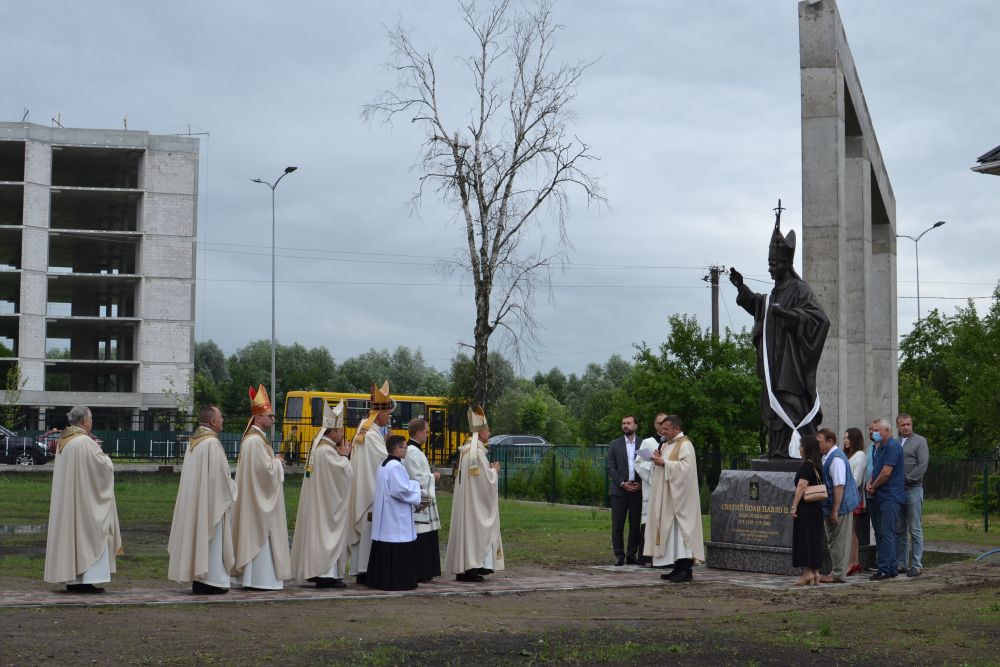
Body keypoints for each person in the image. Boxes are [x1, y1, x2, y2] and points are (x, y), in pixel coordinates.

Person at [729, 205, 830, 458]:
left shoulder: (799, 289)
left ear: (787, 263)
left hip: (790, 363)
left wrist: (790, 316)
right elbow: (760, 307)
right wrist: (742, 288)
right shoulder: (774, 293)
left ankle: (813, 453)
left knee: (794, 405)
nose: (771, 268)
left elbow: (820, 319)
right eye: (769, 264)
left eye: (775, 264)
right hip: (772, 364)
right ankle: (778, 452)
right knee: (772, 408)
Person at [44, 406, 123, 593]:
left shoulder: (65, 441)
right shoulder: (84, 442)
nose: (92, 422)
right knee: (88, 535)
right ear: (85, 421)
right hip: (85, 503)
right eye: (91, 419)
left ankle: (75, 580)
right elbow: (102, 467)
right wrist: (108, 461)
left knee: (74, 537)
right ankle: (87, 580)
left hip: (72, 500)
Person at [167, 404, 239, 595]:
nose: (223, 420)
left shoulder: (195, 442)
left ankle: (200, 580)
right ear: (213, 421)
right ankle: (211, 581)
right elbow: (219, 479)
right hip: (210, 505)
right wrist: (233, 487)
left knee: (200, 539)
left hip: (197, 502)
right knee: (212, 541)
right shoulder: (212, 444)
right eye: (221, 417)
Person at [231, 384, 291, 590]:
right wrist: (277, 463)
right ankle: (260, 579)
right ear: (258, 418)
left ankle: (257, 578)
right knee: (262, 535)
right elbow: (264, 472)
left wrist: (272, 461)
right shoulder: (255, 441)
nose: (273, 419)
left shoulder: (254, 439)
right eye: (270, 416)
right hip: (259, 502)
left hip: (255, 499)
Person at [290, 400, 353, 589]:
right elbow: (342, 474)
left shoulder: (320, 448)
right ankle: (325, 574)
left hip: (320, 501)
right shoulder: (327, 452)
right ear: (333, 432)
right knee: (326, 534)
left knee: (319, 534)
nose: (342, 434)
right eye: (340, 431)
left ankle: (322, 572)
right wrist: (345, 457)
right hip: (327, 504)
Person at [444, 405, 505, 583]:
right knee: (476, 532)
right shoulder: (476, 453)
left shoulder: (467, 450)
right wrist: (494, 471)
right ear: (481, 432)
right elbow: (485, 481)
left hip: (468, 502)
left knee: (468, 532)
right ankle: (472, 568)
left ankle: (466, 568)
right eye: (487, 430)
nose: (490, 433)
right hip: (475, 504)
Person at [643, 415, 704, 583]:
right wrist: (658, 460)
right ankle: (677, 566)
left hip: (680, 501)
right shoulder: (667, 445)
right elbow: (663, 467)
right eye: (662, 429)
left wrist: (665, 463)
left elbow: (687, 469)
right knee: (671, 535)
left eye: (666, 429)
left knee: (681, 532)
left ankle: (686, 569)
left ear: (676, 428)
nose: (663, 432)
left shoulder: (685, 445)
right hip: (669, 498)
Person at [347, 380, 393, 584]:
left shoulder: (364, 429)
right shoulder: (371, 434)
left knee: (366, 530)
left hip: (362, 486)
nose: (389, 417)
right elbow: (384, 460)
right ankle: (365, 569)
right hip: (370, 491)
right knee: (368, 529)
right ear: (380, 413)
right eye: (388, 414)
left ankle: (361, 568)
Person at [366, 435, 423, 590]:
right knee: (397, 544)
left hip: (387, 514)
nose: (406, 450)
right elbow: (399, 489)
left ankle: (380, 579)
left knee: (386, 546)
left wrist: (409, 484)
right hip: (395, 515)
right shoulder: (395, 466)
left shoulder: (384, 465)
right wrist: (416, 487)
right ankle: (398, 580)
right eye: (404, 447)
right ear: (397, 449)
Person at [816, 428, 859, 583]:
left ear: (830, 441)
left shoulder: (836, 459)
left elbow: (839, 486)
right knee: (834, 540)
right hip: (833, 507)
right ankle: (837, 572)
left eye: (820, 442)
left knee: (838, 540)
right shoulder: (828, 456)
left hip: (839, 507)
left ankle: (838, 574)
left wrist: (835, 510)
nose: (818, 445)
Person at [403, 417, 442, 582]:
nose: (428, 435)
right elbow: (416, 477)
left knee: (428, 535)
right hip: (419, 501)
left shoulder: (416, 450)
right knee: (422, 536)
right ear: (418, 433)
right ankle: (421, 571)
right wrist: (433, 477)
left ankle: (427, 570)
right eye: (426, 432)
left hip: (424, 499)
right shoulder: (411, 451)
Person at [866, 418, 904, 581]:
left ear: (887, 431)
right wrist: (870, 482)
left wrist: (873, 485)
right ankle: (892, 566)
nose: (874, 433)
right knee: (882, 533)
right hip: (880, 495)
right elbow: (876, 469)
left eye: (877, 430)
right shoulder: (880, 447)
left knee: (887, 533)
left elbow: (886, 472)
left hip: (890, 495)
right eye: (873, 430)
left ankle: (885, 569)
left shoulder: (893, 447)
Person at [895, 414, 929, 577]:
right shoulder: (895, 443)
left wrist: (907, 479)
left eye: (908, 424)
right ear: (898, 427)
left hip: (913, 488)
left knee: (915, 528)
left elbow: (922, 465)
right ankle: (902, 563)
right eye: (903, 425)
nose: (906, 427)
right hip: (898, 491)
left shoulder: (920, 441)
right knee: (900, 528)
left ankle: (917, 564)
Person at [607, 414, 643, 565]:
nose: (625, 426)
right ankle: (619, 555)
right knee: (617, 524)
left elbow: (649, 466)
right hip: (619, 490)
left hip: (637, 489)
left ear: (635, 426)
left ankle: (631, 555)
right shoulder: (614, 444)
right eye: (623, 423)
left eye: (628, 423)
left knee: (635, 524)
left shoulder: (644, 444)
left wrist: (641, 483)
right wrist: (622, 483)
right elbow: (610, 466)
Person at [790, 434, 824, 585]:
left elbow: (801, 486)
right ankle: (816, 573)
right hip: (816, 508)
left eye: (801, 445)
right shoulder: (817, 465)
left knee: (804, 540)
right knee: (814, 539)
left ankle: (807, 573)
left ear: (807, 448)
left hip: (806, 508)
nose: (799, 448)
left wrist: (794, 505)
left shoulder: (807, 465)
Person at [634, 414, 667, 567]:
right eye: (659, 423)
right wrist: (653, 473)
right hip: (652, 487)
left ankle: (664, 557)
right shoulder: (648, 442)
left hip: (667, 489)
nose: (662, 426)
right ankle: (646, 557)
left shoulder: (673, 443)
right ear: (655, 425)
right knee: (648, 521)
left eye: (665, 423)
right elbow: (639, 464)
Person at [843, 427, 868, 576]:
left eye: (848, 437)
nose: (845, 440)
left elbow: (857, 480)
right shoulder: (848, 456)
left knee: (851, 531)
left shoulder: (859, 455)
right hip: (846, 497)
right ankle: (853, 561)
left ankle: (853, 562)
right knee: (850, 531)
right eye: (844, 437)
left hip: (853, 498)